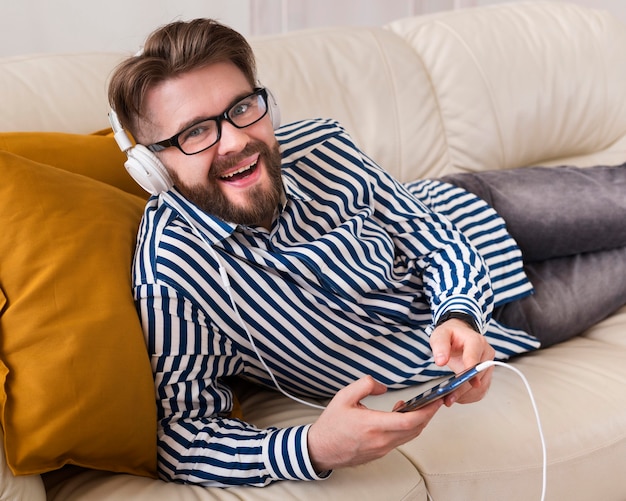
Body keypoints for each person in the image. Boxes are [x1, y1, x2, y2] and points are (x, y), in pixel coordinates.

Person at [107, 18, 626, 487]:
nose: (235, 141)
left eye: (242, 108)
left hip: (480, 212)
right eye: (196, 131)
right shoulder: (172, 277)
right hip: (515, 315)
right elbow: (180, 437)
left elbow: (429, 231)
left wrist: (460, 313)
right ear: (154, 169)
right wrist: (312, 447)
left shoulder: (320, 145)